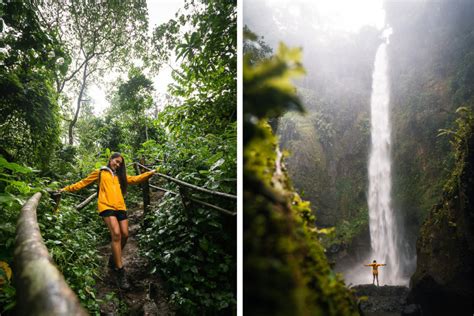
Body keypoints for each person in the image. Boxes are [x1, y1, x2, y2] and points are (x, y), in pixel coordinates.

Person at [59, 152, 156, 289]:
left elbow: (134, 179)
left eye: (120, 163)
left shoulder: (120, 176)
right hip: (106, 206)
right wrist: (65, 189)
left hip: (120, 207)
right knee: (116, 234)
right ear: (110, 160)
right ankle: (120, 271)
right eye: (116, 161)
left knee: (125, 234)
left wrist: (150, 173)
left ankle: (113, 259)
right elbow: (82, 183)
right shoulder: (99, 172)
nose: (117, 164)